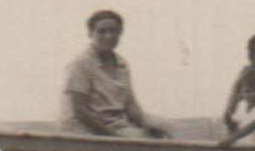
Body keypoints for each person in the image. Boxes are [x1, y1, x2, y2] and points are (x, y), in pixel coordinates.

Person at [60, 10, 173, 138]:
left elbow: (130, 104)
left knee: (165, 127)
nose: (108, 36)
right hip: (83, 129)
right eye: (101, 31)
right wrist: (114, 138)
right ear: (90, 33)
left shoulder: (122, 64)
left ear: (120, 32)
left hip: (114, 124)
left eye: (113, 30)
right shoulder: (81, 64)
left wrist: (147, 127)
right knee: (141, 140)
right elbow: (81, 111)